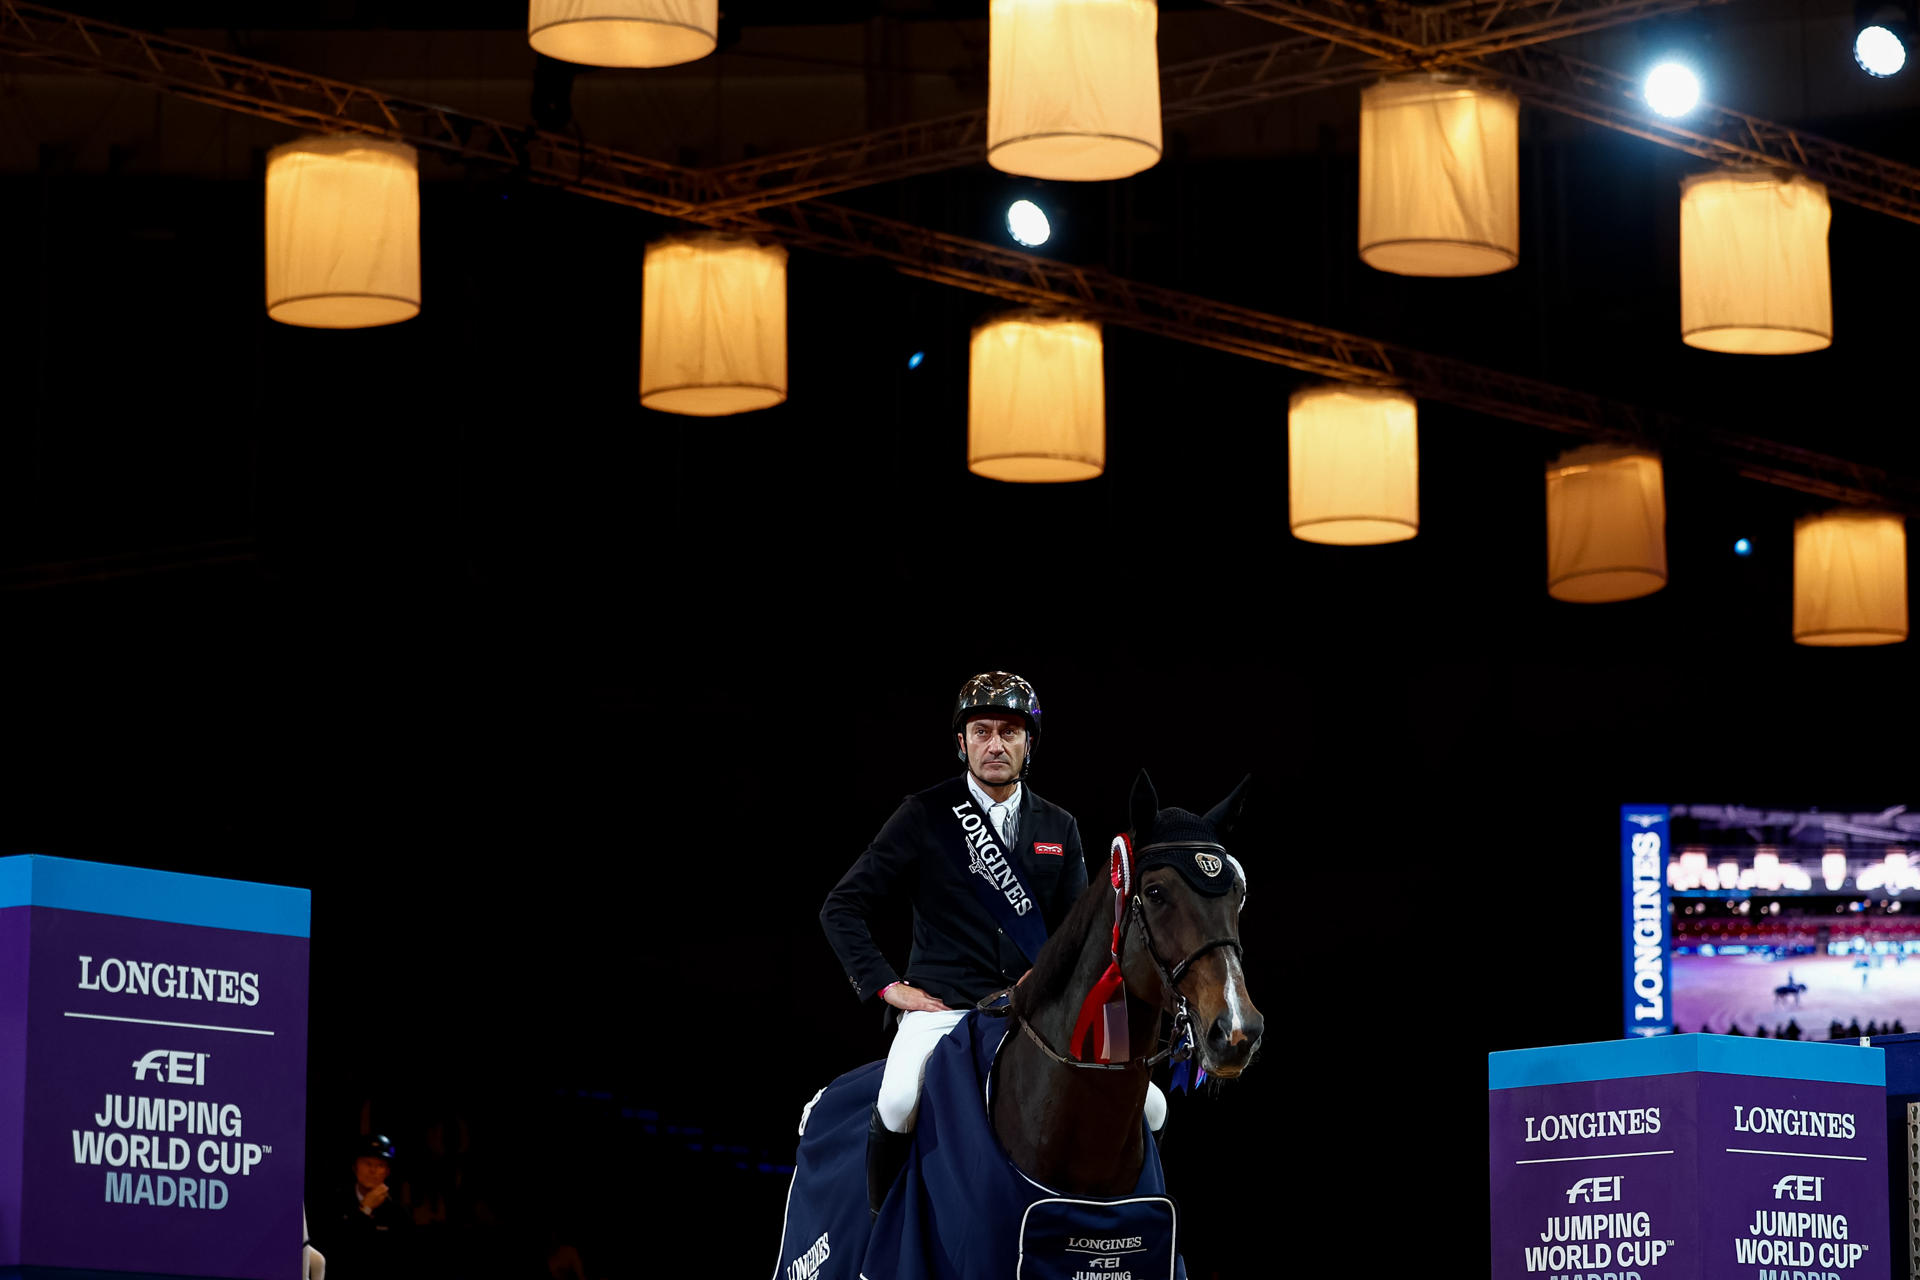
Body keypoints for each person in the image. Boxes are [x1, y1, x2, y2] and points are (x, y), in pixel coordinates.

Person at [821, 671, 1164, 1214]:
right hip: (945, 1008)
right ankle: (881, 1228)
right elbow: (840, 908)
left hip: (1032, 1014)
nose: (996, 744)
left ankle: (1116, 1224)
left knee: (1152, 1107)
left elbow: (1078, 936)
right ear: (962, 744)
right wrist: (888, 987)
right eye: (981, 731)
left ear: (1030, 744)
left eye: (1010, 731)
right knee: (898, 1098)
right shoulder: (924, 815)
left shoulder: (1060, 825)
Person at [316, 1134, 410, 1280]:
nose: (373, 1171)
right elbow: (335, 1250)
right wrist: (365, 1209)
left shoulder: (397, 1212)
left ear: (387, 1171)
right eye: (367, 1163)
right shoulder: (335, 1202)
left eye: (380, 1165)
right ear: (355, 1167)